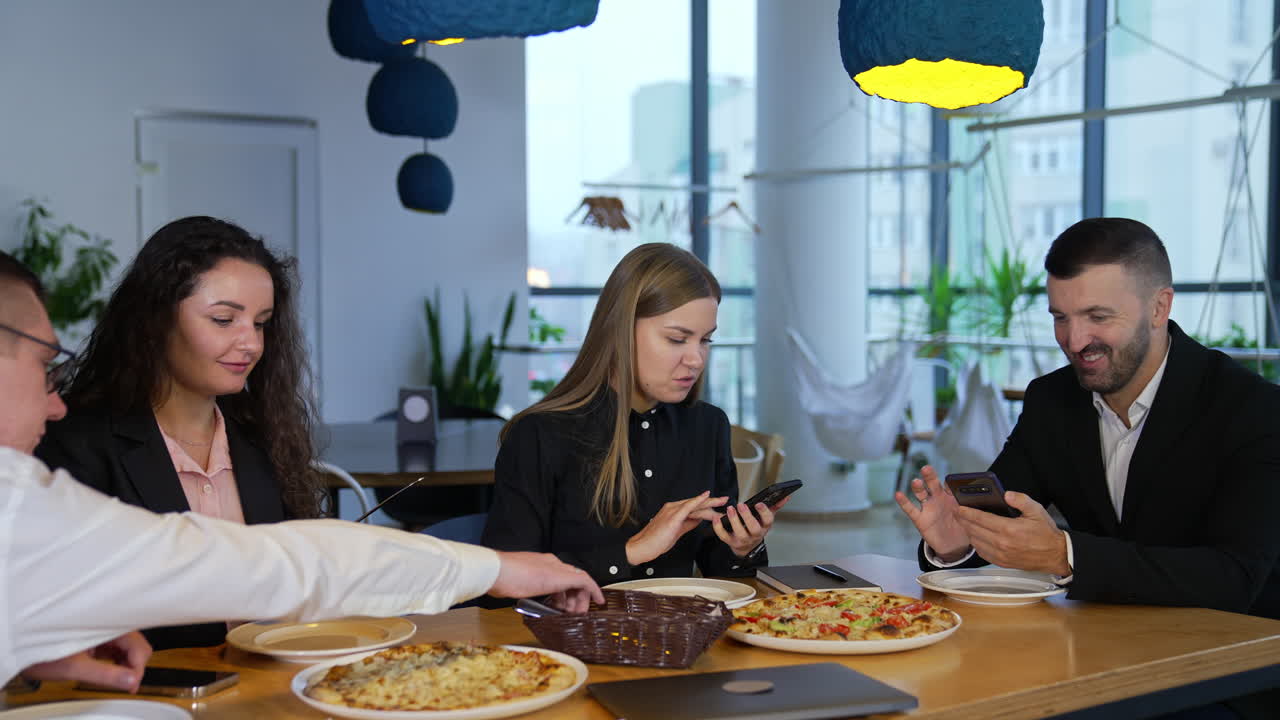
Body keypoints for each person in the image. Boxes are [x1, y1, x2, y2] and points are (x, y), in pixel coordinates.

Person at [0, 250, 603, 691]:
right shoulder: (30, 491)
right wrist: (494, 567)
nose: (57, 401)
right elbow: (284, 564)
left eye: (260, 324)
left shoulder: (261, 442)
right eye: (46, 367)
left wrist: (30, 647)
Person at [896, 217, 1280, 615]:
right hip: (1101, 642)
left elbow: (1236, 577)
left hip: (1241, 655)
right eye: (1060, 317)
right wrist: (959, 540)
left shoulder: (1254, 409)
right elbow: (1005, 516)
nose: (1074, 341)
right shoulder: (1051, 400)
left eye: (1097, 317)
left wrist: (1066, 556)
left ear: (1159, 307)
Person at [35, 217, 324, 650]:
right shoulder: (79, 445)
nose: (252, 344)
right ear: (156, 321)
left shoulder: (265, 438)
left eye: (261, 323)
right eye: (224, 319)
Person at [481, 243, 785, 586]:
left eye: (705, 341)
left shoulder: (707, 426)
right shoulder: (539, 435)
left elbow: (720, 571)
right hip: (571, 636)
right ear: (621, 330)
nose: (697, 359)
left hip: (677, 632)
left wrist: (744, 547)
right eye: (676, 339)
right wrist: (631, 551)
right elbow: (501, 583)